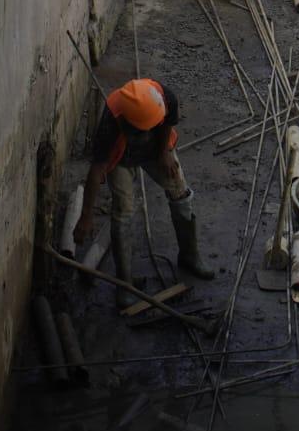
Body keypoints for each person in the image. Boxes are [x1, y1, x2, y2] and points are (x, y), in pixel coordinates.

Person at [73, 78, 213, 306]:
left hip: (156, 148)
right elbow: (97, 169)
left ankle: (189, 256)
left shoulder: (165, 98)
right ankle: (125, 284)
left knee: (180, 192)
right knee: (123, 211)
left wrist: (165, 151)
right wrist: (86, 216)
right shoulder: (111, 119)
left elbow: (167, 122)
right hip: (121, 158)